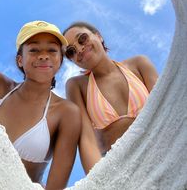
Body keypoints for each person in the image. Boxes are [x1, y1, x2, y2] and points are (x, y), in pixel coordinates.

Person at [0, 20, 81, 190]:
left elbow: (55, 187)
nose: (43, 55)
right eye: (34, 50)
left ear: (60, 60)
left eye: (52, 50)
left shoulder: (67, 113)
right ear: (20, 60)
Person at [63, 21, 158, 174]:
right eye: (71, 52)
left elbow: (165, 107)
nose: (79, 49)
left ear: (98, 36)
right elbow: (86, 140)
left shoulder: (139, 63)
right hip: (120, 168)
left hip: (161, 147)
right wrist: (100, 182)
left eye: (82, 39)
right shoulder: (76, 86)